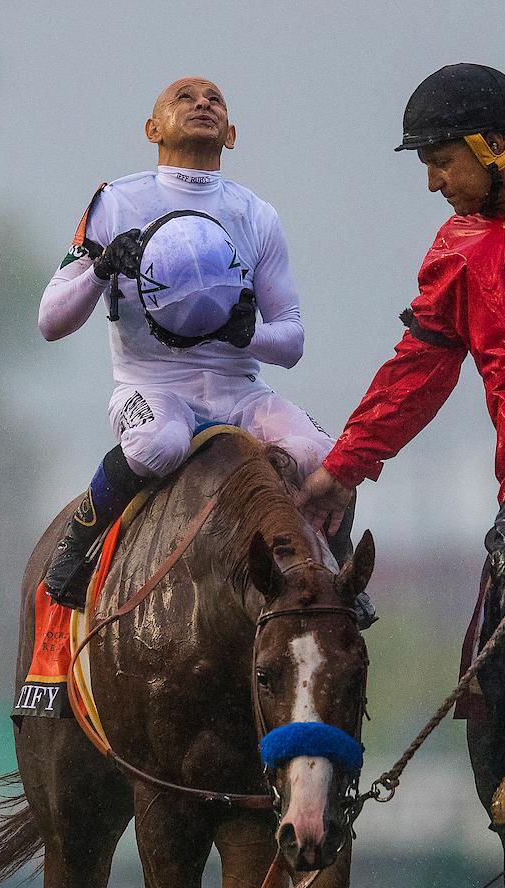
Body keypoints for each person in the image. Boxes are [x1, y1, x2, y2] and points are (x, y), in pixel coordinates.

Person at [300, 62, 505, 815]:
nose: (432, 183)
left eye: (439, 161)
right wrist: (344, 468)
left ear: (489, 144)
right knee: (491, 686)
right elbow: (418, 370)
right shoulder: (457, 249)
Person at [38, 76, 335, 609]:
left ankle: (333, 577)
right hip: (153, 389)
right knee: (160, 445)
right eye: (184, 98)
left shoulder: (257, 215)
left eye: (214, 99)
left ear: (232, 133)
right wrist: (101, 268)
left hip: (239, 391)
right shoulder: (114, 202)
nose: (202, 103)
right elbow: (51, 321)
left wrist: (249, 334)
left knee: (324, 457)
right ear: (152, 129)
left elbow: (291, 341)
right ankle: (72, 552)